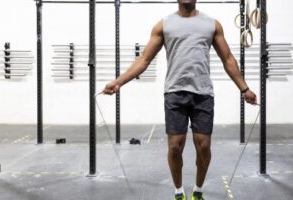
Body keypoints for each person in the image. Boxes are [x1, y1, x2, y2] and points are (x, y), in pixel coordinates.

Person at [102, 0, 257, 199]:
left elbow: (227, 58)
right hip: (175, 93)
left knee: (204, 147)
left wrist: (244, 88)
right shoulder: (164, 25)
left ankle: (198, 191)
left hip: (203, 94)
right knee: (175, 147)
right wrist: (118, 82)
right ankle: (178, 192)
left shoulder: (212, 24)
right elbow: (144, 59)